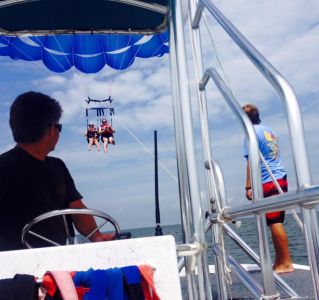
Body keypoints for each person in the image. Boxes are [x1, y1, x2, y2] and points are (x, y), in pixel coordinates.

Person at [0, 91, 114, 251]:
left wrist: (96, 236)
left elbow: (76, 208)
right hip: (16, 268)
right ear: (51, 130)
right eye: (59, 126)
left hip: (59, 260)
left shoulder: (57, 166)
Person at [242, 104, 294, 273]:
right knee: (275, 220)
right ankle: (280, 261)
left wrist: (249, 186)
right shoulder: (269, 130)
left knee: (274, 222)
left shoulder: (251, 134)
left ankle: (286, 262)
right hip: (280, 176)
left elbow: (251, 161)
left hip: (268, 180)